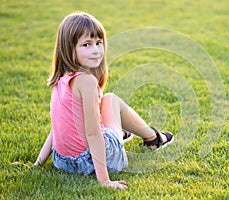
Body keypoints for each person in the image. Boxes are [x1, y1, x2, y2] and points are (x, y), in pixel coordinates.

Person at [33, 12, 174, 190]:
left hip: (62, 161)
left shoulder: (60, 79)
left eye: (98, 43)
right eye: (86, 44)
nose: (96, 50)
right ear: (68, 49)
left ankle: (124, 134)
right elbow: (92, 134)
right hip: (92, 161)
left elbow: (57, 128)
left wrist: (39, 163)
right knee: (111, 99)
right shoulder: (87, 81)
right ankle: (153, 137)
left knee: (105, 102)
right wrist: (104, 180)